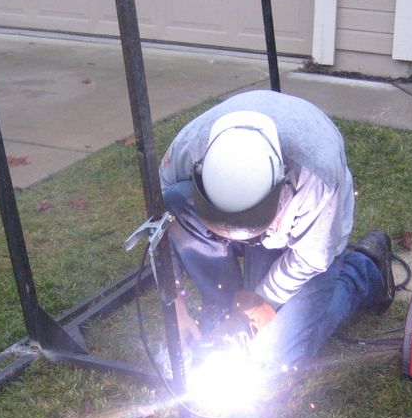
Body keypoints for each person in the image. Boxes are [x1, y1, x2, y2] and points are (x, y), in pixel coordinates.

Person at [159, 89, 395, 369]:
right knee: (175, 199)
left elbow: (309, 259)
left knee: (276, 356)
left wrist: (262, 299)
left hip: (300, 245)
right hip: (264, 219)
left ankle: (363, 269)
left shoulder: (317, 178)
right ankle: (224, 310)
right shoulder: (188, 149)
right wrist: (176, 307)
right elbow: (160, 227)